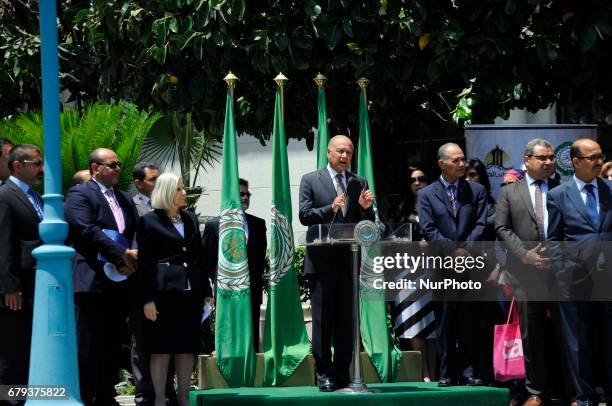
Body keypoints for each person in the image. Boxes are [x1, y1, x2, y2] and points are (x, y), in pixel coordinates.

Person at [298, 134, 374, 391]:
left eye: (349, 152)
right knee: (322, 320)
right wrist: (329, 208)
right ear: (329, 152)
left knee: (346, 320)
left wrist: (365, 208)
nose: (345, 156)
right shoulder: (311, 180)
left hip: (348, 261)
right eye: (340, 151)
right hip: (321, 262)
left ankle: (342, 371)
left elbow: (367, 223)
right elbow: (305, 215)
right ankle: (324, 373)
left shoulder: (358, 181)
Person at [64, 148, 139, 406]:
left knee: (111, 343)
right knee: (87, 346)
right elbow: (87, 230)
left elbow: (134, 230)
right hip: (91, 280)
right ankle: (83, 397)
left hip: (119, 281)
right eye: (112, 164)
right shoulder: (80, 194)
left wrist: (132, 259)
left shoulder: (125, 198)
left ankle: (106, 397)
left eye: (119, 164)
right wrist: (122, 255)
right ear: (95, 168)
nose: (118, 168)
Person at [495, 139, 561, 406]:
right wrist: (525, 255)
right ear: (527, 159)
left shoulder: (561, 188)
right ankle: (536, 392)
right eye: (542, 158)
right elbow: (502, 228)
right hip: (525, 273)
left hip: (559, 271)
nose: (548, 163)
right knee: (531, 334)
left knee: (563, 331)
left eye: (551, 158)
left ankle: (564, 390)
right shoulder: (510, 192)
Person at [138, 173, 212, 406]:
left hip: (190, 293)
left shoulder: (190, 219)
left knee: (186, 347)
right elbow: (145, 264)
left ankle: (183, 399)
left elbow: (198, 258)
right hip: (163, 293)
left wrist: (207, 291)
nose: (184, 193)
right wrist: (147, 299)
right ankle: (160, 400)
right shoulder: (149, 221)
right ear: (167, 192)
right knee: (161, 349)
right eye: (179, 189)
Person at [547, 138, 612, 406]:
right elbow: (554, 240)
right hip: (574, 281)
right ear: (575, 162)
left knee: (609, 339)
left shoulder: (610, 190)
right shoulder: (558, 195)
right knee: (578, 344)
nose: (598, 162)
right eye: (592, 157)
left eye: (600, 156)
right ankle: (584, 397)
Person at [417, 142, 487, 387]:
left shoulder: (476, 191)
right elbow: (428, 227)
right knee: (445, 320)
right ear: (441, 164)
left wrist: (465, 249)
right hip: (442, 266)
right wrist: (452, 250)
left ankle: (469, 371)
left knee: (469, 320)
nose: (462, 164)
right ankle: (446, 372)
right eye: (456, 160)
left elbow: (480, 224)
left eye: (463, 159)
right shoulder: (426, 194)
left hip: (469, 265)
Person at [202, 178, 267, 351]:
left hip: (251, 289)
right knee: (228, 336)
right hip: (226, 290)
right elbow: (207, 260)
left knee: (250, 336)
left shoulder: (258, 224)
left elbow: (260, 258)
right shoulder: (214, 225)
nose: (245, 197)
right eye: (241, 194)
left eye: (248, 194)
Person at [0, 144, 44, 397]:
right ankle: (9, 400)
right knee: (11, 349)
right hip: (17, 287)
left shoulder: (35, 196)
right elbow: (4, 244)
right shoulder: (5, 195)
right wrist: (10, 286)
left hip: (34, 282)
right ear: (17, 165)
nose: (41, 168)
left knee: (27, 345)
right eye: (36, 163)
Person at [388, 165, 437, 382]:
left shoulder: (437, 203)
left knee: (434, 323)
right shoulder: (399, 207)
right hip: (408, 271)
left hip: (434, 269)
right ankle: (423, 372)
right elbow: (391, 239)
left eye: (422, 178)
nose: (417, 183)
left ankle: (436, 372)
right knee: (415, 322)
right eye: (412, 180)